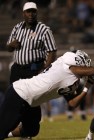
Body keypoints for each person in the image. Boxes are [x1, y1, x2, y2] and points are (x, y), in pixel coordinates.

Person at [0, 49, 94, 140]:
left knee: (31, 130)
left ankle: (7, 134)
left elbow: (73, 103)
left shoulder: (72, 79)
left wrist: (87, 87)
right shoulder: (69, 66)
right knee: (3, 128)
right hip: (19, 93)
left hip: (31, 102)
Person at [5, 2, 57, 139]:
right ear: (23, 13)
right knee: (15, 100)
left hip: (33, 69)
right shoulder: (17, 27)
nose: (31, 14)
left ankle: (28, 130)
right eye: (28, 11)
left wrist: (46, 69)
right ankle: (21, 129)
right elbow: (9, 47)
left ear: (37, 13)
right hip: (17, 69)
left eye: (33, 11)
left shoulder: (44, 29)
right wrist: (11, 45)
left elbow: (52, 51)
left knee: (31, 101)